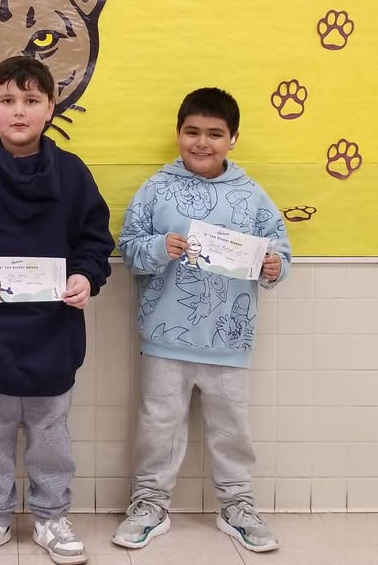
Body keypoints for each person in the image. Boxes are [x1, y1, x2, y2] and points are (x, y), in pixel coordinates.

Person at [0, 56, 113, 565]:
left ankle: (51, 516)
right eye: (8, 101)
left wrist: (86, 276)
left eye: (31, 101)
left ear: (51, 107)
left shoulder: (73, 175)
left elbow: (94, 242)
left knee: (50, 436)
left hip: (54, 334)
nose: (19, 111)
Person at [111, 87, 291, 553]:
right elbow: (128, 246)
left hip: (229, 338)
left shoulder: (252, 196)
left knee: (232, 427)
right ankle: (149, 504)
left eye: (215, 133)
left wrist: (275, 267)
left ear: (234, 138)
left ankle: (238, 506)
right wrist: (156, 248)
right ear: (178, 133)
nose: (202, 142)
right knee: (158, 425)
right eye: (192, 131)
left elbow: (279, 248)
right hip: (164, 337)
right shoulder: (155, 189)